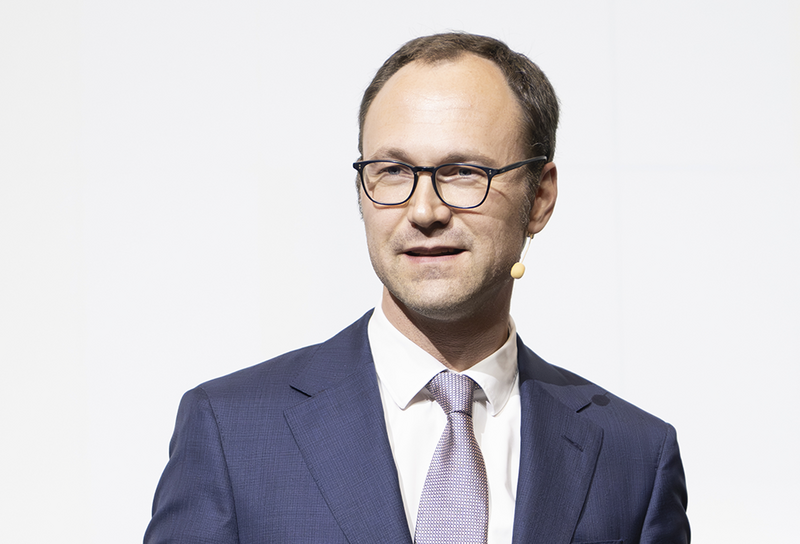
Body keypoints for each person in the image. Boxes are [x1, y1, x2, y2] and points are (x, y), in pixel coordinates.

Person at [144, 32, 689, 544]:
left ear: (540, 198)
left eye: (464, 172)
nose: (424, 210)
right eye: (393, 171)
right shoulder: (230, 430)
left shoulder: (635, 456)